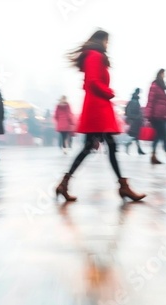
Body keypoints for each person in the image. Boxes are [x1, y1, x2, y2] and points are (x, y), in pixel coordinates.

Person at [55, 30, 145, 202]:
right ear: (101, 40)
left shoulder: (92, 55)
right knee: (106, 148)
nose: (107, 45)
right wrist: (109, 92)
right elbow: (93, 82)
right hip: (99, 110)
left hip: (97, 108)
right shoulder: (95, 56)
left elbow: (88, 83)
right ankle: (123, 187)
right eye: (107, 41)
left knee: (96, 148)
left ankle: (64, 184)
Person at [145, 69, 166, 164]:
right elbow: (150, 101)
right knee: (164, 135)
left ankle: (153, 156)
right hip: (157, 116)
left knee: (158, 136)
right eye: (163, 74)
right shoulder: (155, 86)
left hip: (162, 115)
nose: (164, 75)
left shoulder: (161, 86)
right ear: (160, 74)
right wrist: (148, 116)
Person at [124, 88, 145, 155]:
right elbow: (135, 111)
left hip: (135, 120)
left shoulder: (134, 100)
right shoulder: (135, 100)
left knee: (136, 136)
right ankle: (131, 145)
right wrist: (137, 117)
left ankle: (139, 149)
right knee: (136, 135)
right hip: (135, 120)